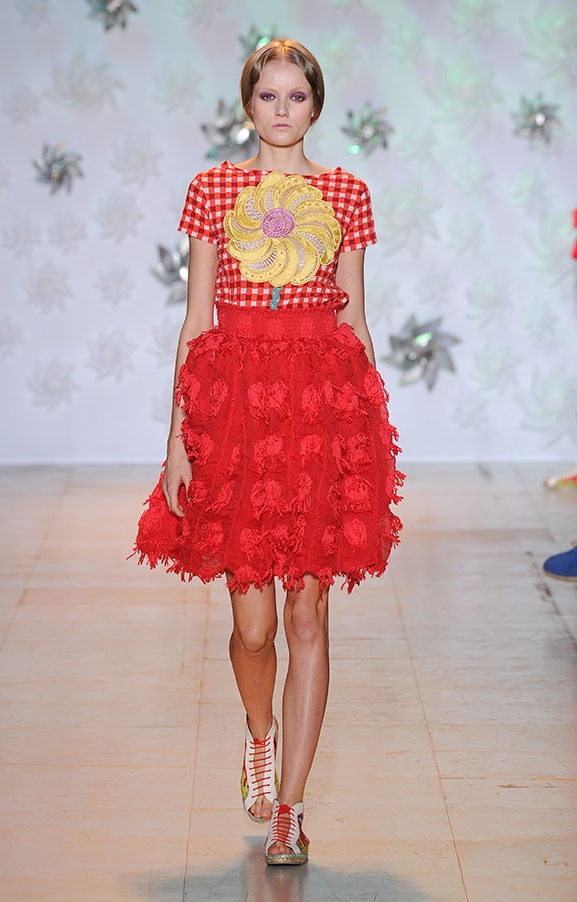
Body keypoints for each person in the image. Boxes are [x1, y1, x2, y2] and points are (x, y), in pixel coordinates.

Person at [133, 37, 403, 865]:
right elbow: (196, 320)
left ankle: (289, 809)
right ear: (247, 103)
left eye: (297, 95)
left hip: (320, 408)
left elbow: (355, 317)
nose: (282, 109)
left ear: (316, 104)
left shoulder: (346, 192)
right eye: (268, 95)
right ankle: (260, 734)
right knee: (253, 629)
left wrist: (367, 438)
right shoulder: (213, 188)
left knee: (307, 613)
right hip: (239, 410)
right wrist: (177, 440)